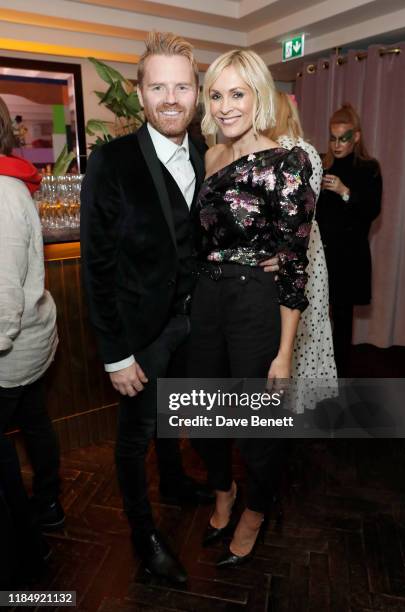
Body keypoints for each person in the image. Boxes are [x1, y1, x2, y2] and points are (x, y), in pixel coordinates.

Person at [81, 32, 216, 584]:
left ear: (196, 93)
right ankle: (144, 534)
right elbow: (97, 268)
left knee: (176, 413)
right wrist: (115, 355)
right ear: (139, 95)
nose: (170, 97)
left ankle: (176, 481)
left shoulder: (211, 153)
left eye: (181, 86)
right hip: (138, 333)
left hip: (193, 321)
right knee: (135, 435)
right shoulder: (110, 162)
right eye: (158, 86)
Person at [188, 50, 315, 567]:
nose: (224, 107)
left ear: (259, 95)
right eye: (216, 95)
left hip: (254, 303)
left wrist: (284, 355)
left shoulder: (289, 161)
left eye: (236, 93)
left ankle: (257, 509)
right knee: (201, 415)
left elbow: (293, 263)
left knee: (257, 427)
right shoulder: (208, 156)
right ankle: (224, 490)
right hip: (207, 297)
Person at [0, 96, 60, 581]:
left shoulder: (1, 193)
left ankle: (25, 548)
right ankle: (48, 505)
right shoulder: (13, 181)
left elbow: (2, 303)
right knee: (36, 423)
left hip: (10, 351)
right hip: (30, 344)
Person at [268, 92, 337, 412]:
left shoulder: (280, 151)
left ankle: (284, 398)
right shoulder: (311, 151)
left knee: (287, 325)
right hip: (312, 247)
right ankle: (302, 398)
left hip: (289, 247)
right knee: (308, 324)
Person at [316, 103, 382, 376]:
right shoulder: (323, 163)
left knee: (342, 317)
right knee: (316, 315)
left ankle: (340, 376)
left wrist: (344, 191)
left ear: (356, 136)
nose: (337, 144)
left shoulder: (368, 168)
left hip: (349, 255)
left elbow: (371, 210)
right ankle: (317, 369)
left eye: (343, 138)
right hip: (322, 254)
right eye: (333, 138)